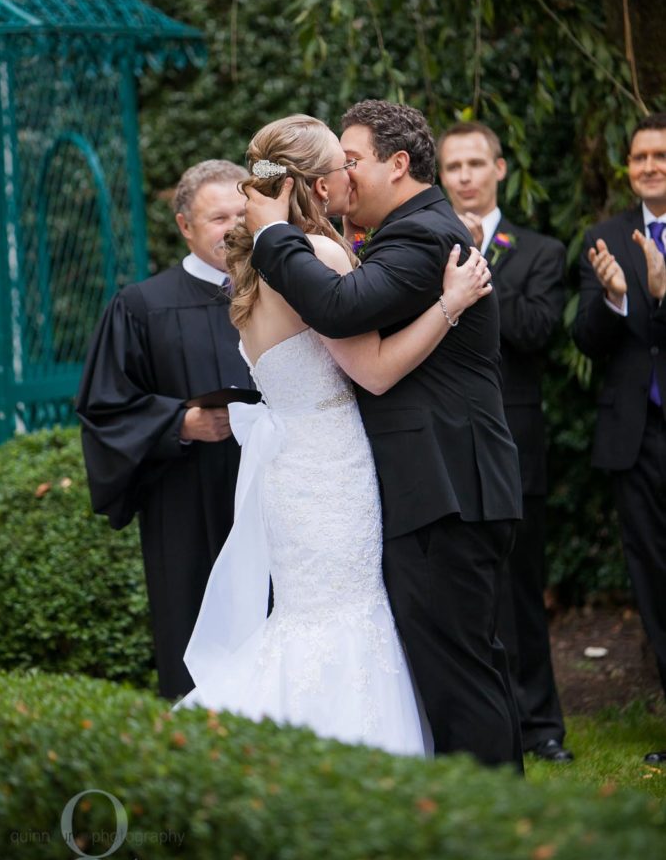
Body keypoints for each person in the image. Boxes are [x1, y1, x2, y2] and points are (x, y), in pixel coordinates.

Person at [177, 113, 493, 756]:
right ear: (319, 187)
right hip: (336, 469)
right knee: (350, 622)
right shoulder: (316, 255)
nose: (350, 174)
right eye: (341, 164)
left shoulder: (250, 272)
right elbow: (372, 371)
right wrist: (448, 305)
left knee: (306, 621)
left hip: (291, 470)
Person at [243, 101, 524, 770]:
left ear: (398, 165)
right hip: (433, 486)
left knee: (460, 674)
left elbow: (341, 309)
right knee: (455, 667)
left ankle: (500, 826)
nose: (341, 177)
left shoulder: (423, 236)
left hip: (445, 487)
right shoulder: (408, 233)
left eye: (353, 162)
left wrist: (268, 234)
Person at [76, 159, 253, 699]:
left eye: (242, 213)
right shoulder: (142, 305)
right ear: (184, 226)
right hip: (184, 499)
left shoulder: (281, 291)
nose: (233, 227)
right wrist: (179, 423)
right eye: (218, 216)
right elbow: (104, 408)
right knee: (193, 625)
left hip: (268, 489)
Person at [437, 120, 572, 763]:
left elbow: (535, 329)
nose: (464, 175)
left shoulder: (541, 251)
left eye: (474, 163)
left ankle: (542, 725)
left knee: (521, 589)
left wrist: (474, 265)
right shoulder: (420, 246)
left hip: (515, 442)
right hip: (444, 443)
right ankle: (480, 724)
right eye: (452, 166)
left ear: (500, 169)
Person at [573, 111, 666, 764]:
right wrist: (614, 300)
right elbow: (583, 341)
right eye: (638, 157)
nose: (649, 166)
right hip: (636, 439)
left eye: (660, 155)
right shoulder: (603, 238)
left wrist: (661, 295)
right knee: (653, 577)